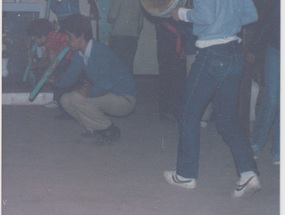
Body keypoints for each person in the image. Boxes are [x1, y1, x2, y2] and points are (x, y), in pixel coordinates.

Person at [163, 0, 261, 198]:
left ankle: (185, 175)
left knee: (188, 113)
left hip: (211, 54)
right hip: (234, 52)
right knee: (227, 119)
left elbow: (206, 16)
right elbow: (252, 15)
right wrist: (227, 23)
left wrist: (181, 13)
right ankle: (248, 172)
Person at [53, 14, 137, 145]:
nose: (67, 41)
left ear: (81, 35)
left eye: (69, 37)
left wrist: (86, 93)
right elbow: (69, 78)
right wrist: (54, 79)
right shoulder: (79, 54)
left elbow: (105, 85)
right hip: (108, 94)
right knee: (66, 99)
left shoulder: (100, 52)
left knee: (76, 97)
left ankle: (110, 130)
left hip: (124, 99)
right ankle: (95, 130)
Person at [247, 0, 280, 165]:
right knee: (272, 98)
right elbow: (266, 24)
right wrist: (253, 47)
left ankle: (278, 149)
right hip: (275, 50)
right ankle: (256, 142)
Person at [27, 18, 75, 120]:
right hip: (65, 63)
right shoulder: (52, 37)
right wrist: (36, 65)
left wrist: (41, 68)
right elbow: (48, 59)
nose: (33, 39)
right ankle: (65, 108)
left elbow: (51, 59)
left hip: (66, 64)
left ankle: (67, 111)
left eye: (34, 36)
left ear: (40, 34)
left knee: (59, 87)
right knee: (60, 87)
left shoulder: (50, 41)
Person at [153, 17, 187, 122]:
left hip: (171, 53)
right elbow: (178, 34)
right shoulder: (165, 21)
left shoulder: (164, 22)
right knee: (170, 82)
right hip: (170, 54)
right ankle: (168, 111)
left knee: (172, 82)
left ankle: (169, 111)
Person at [107, 0, 144, 74]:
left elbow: (112, 15)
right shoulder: (140, 1)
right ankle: (128, 84)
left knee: (117, 65)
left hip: (119, 35)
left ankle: (118, 85)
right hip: (133, 36)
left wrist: (108, 18)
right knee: (129, 65)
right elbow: (141, 23)